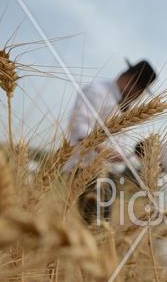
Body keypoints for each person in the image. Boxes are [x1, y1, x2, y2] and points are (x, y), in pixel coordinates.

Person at [64, 60, 157, 223]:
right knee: (94, 225)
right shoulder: (97, 92)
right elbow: (80, 129)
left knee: (101, 224)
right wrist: (105, 152)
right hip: (86, 169)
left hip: (110, 173)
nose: (139, 97)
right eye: (140, 91)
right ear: (130, 82)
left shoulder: (125, 104)